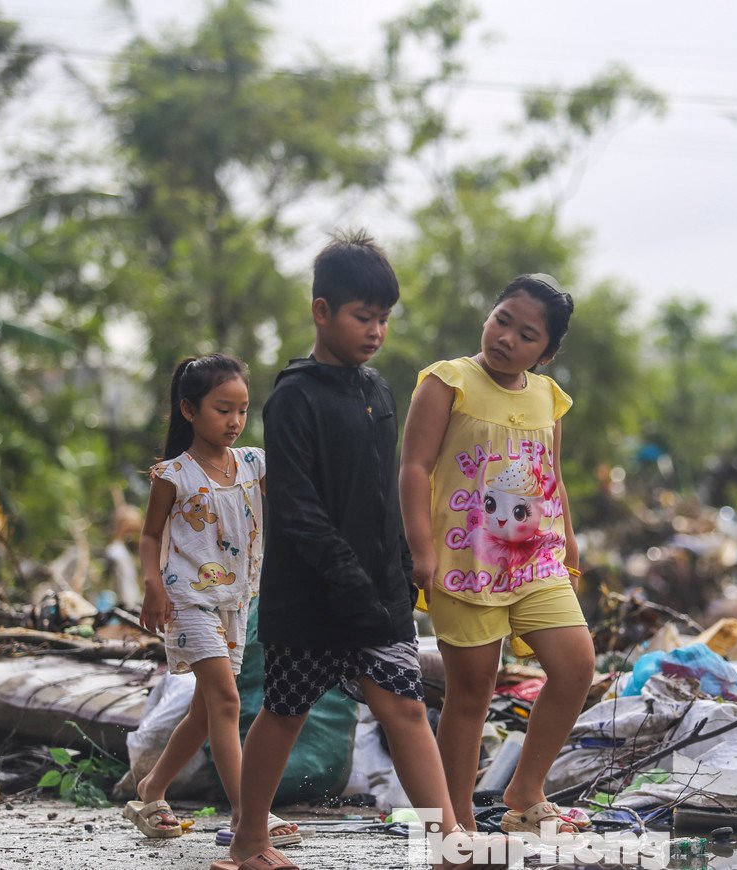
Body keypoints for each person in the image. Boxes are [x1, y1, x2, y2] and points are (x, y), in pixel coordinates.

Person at [221, 231, 502, 870]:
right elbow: (296, 507)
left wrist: (399, 567)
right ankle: (249, 841)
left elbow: (384, 493)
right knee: (285, 712)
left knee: (406, 708)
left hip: (377, 593)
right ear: (322, 311)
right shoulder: (293, 398)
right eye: (362, 316)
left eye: (383, 318)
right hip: (311, 596)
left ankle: (448, 844)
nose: (375, 331)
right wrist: (347, 577)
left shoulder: (377, 392)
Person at [399, 274, 596, 836]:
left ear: (547, 352)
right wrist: (419, 549)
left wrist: (569, 545)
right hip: (464, 563)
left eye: (527, 334)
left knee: (576, 666)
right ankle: (455, 825)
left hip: (536, 558)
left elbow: (552, 478)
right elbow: (414, 467)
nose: (507, 337)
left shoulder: (548, 397)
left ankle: (525, 790)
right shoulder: (447, 382)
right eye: (502, 320)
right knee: (471, 694)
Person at [125, 353, 299, 850]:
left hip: (236, 600)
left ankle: (152, 787)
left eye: (242, 410)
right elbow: (150, 536)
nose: (235, 421)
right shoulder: (173, 475)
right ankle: (248, 814)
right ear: (189, 410)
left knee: (204, 711)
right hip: (187, 599)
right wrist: (153, 584)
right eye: (223, 409)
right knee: (226, 700)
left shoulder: (254, 464)